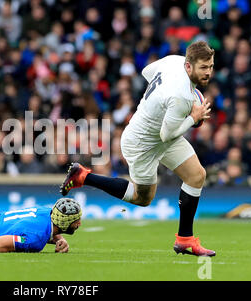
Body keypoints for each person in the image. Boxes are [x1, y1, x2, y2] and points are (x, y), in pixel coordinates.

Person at [60, 41, 216, 257]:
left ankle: (185, 240)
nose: (208, 72)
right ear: (189, 66)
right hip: (142, 142)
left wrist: (158, 100)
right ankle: (83, 176)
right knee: (142, 198)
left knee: (197, 176)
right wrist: (193, 117)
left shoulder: (174, 61)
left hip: (163, 132)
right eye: (203, 68)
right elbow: (167, 134)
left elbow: (146, 71)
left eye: (210, 67)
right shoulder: (180, 96)